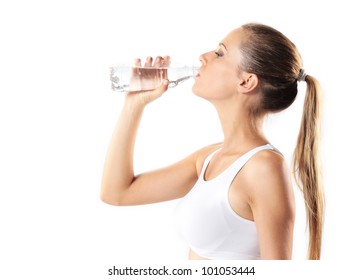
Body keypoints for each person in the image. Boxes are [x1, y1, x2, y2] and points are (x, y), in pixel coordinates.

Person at [100, 23, 324, 260]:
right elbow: (117, 193)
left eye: (219, 53)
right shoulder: (209, 158)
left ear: (246, 82)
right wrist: (134, 104)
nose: (203, 57)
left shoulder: (264, 168)